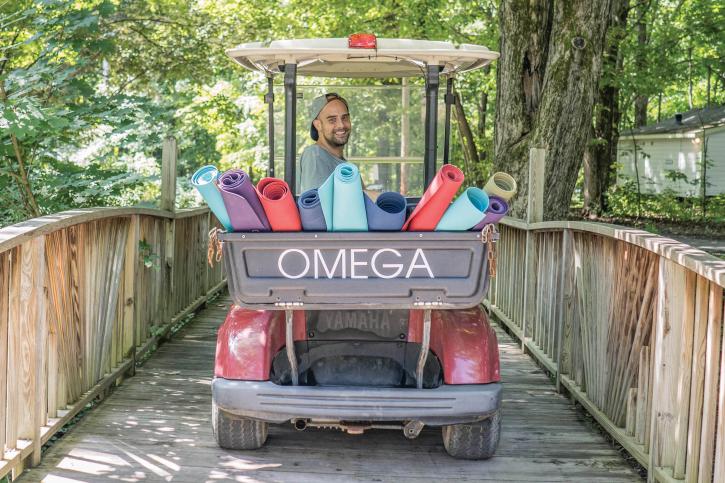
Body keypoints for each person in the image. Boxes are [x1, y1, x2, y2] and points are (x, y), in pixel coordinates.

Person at [299, 93, 351, 192]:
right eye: (332, 120)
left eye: (344, 118)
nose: (341, 125)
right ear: (318, 125)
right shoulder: (315, 155)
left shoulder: (342, 163)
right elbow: (317, 204)